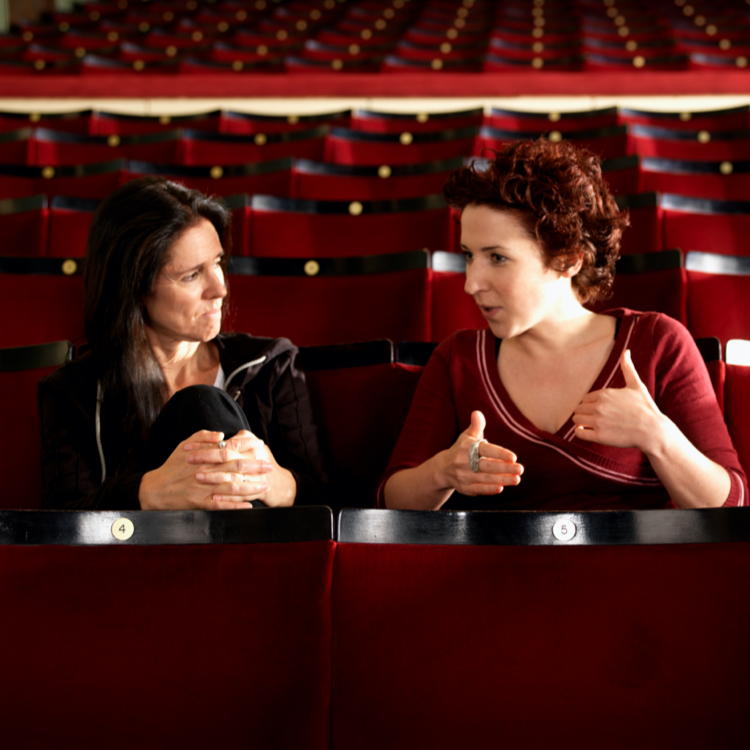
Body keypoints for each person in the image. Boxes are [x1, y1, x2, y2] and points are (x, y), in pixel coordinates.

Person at [378, 138, 747, 511]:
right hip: (502, 569)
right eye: (469, 256)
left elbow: (732, 506)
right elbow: (391, 502)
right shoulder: (458, 359)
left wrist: (658, 437)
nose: (471, 283)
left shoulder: (659, 342)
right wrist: (443, 472)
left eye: (498, 258)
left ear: (569, 259)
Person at [39, 176, 326, 511]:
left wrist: (277, 482)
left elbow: (327, 501)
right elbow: (60, 521)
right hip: (139, 561)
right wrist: (147, 492)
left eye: (218, 263)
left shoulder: (272, 366)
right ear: (135, 289)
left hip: (258, 557)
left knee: (206, 404)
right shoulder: (75, 391)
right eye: (191, 275)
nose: (220, 289)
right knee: (200, 405)